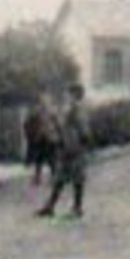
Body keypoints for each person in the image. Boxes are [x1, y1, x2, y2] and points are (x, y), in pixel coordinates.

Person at [37, 86, 90, 219]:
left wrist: (81, 145)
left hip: (75, 149)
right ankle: (50, 207)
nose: (67, 97)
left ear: (75, 96)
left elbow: (84, 131)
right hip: (66, 148)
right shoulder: (70, 110)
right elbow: (63, 126)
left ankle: (77, 208)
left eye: (69, 95)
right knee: (59, 179)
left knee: (77, 179)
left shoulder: (78, 110)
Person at [25, 94, 56, 185]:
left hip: (48, 137)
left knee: (50, 159)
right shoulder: (37, 111)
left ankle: (53, 177)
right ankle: (38, 178)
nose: (44, 102)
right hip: (41, 138)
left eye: (46, 100)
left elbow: (56, 123)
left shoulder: (51, 111)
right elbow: (29, 121)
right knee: (40, 158)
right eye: (42, 101)